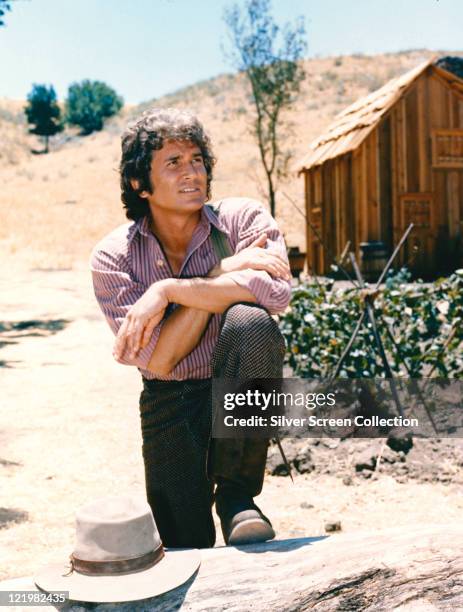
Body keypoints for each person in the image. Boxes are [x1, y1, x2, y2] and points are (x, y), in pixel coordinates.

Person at [90, 107, 292, 548]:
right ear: (140, 184)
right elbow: (160, 359)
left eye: (198, 159)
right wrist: (222, 276)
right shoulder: (113, 257)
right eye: (174, 163)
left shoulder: (243, 221)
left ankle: (237, 497)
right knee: (185, 547)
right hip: (171, 401)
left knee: (250, 321)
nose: (193, 173)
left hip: (236, 388)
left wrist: (169, 291)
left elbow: (274, 295)